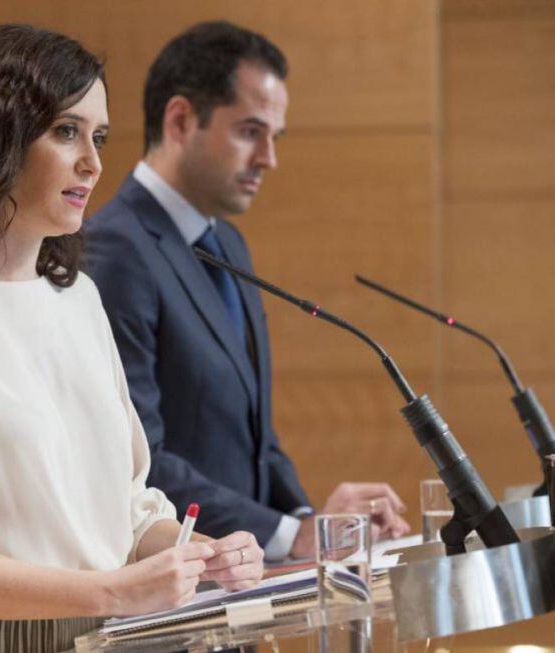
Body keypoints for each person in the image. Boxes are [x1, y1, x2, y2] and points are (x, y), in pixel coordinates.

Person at [0, 24, 264, 653]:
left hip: (109, 633)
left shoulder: (79, 298)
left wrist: (202, 555)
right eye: (66, 132)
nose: (93, 162)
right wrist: (115, 591)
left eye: (98, 137)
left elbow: (123, 509)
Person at [84, 21, 411, 563]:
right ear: (181, 119)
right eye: (250, 132)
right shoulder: (114, 250)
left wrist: (308, 523)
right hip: (174, 594)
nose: (268, 158)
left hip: (242, 590)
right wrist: (284, 535)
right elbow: (141, 461)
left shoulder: (226, 244)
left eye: (273, 137)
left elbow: (256, 436)